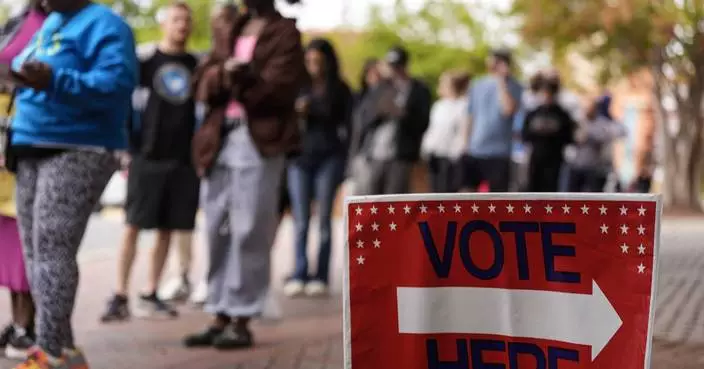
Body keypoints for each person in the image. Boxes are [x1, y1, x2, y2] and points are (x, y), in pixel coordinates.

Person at [7, 0, 137, 365]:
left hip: (80, 146)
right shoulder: (52, 24)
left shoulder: (106, 25)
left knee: (52, 248)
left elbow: (116, 84)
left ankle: (48, 353)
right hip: (31, 143)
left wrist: (53, 79)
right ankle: (65, 350)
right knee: (34, 252)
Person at [185, 0, 305, 349]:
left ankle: (241, 316)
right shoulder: (230, 27)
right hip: (219, 137)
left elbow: (280, 89)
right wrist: (224, 75)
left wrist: (242, 77)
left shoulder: (285, 32)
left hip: (260, 140)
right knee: (216, 225)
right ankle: (219, 312)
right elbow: (201, 80)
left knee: (249, 227)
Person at [100, 1, 199, 323]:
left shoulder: (196, 66)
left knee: (168, 228)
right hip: (147, 155)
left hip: (183, 159)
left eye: (185, 20)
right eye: (175, 20)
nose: (181, 25)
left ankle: (151, 291)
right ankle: (119, 294)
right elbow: (125, 102)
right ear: (164, 24)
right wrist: (127, 145)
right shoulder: (144, 61)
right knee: (133, 225)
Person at [160, 1, 240, 307]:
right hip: (199, 152)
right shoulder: (205, 64)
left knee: (226, 221)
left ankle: (218, 281)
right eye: (219, 21)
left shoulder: (200, 61)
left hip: (208, 151)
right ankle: (190, 277)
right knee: (202, 220)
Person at [283, 38, 352, 297]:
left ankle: (320, 275)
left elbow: (349, 128)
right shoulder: (297, 87)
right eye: (309, 61)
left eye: (318, 61)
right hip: (299, 160)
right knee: (300, 220)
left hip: (329, 159)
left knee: (324, 220)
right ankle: (299, 272)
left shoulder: (341, 90)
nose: (313, 66)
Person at [0, 0, 48, 360]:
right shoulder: (18, 21)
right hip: (4, 136)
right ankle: (18, 327)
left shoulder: (67, 25)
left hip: (32, 138)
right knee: (8, 233)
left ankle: (27, 327)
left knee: (28, 233)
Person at [359, 46, 432, 195]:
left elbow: (423, 122)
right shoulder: (380, 87)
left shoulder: (418, 89)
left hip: (401, 154)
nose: (395, 71)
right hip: (375, 152)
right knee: (371, 199)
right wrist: (381, 111)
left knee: (394, 198)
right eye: (392, 66)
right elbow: (364, 118)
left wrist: (403, 114)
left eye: (398, 66)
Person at [462, 49, 523, 192]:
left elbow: (508, 110)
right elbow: (470, 115)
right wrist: (465, 144)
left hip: (500, 152)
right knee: (466, 194)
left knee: (497, 199)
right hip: (475, 150)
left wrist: (502, 80)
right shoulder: (477, 84)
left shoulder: (515, 86)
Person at [521, 75, 576, 192]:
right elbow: (524, 135)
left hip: (555, 160)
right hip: (536, 158)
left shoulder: (562, 115)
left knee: (551, 190)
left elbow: (569, 138)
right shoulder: (532, 114)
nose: (546, 96)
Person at [420, 71, 469, 193]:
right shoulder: (438, 106)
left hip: (451, 156)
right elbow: (433, 129)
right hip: (435, 153)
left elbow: (462, 132)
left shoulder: (463, 106)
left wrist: (458, 152)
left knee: (448, 190)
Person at [567, 96, 627, 192]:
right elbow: (573, 138)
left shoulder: (602, 123)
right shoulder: (578, 122)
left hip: (593, 167)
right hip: (577, 165)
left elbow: (617, 133)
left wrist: (590, 135)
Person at [347, 58, 381, 196]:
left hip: (378, 152)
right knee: (360, 191)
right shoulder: (360, 97)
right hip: (360, 151)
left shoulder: (387, 94)